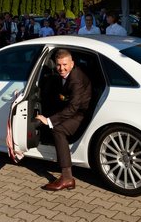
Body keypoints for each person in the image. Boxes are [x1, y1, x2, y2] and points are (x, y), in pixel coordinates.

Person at [35, 49, 92, 191]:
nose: (62, 68)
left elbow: (73, 108)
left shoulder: (76, 79)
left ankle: (67, 178)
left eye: (65, 64)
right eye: (59, 65)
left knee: (58, 130)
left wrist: (49, 120)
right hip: (74, 109)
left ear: (72, 64)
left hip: (82, 114)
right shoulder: (65, 74)